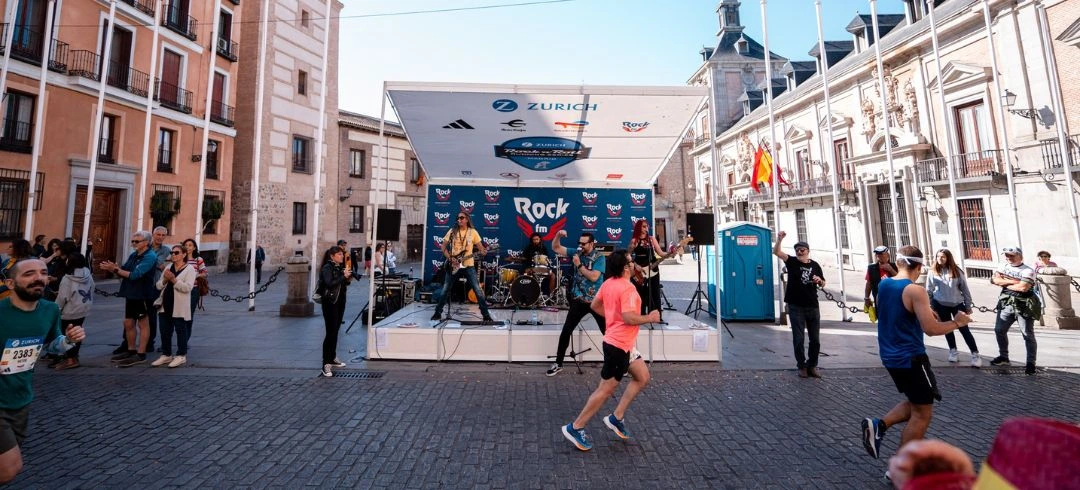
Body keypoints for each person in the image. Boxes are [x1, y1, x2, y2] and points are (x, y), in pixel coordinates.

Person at [860, 245, 972, 469]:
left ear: (897, 263)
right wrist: (957, 323)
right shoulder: (915, 290)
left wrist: (923, 310)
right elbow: (931, 329)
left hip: (889, 355)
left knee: (917, 401)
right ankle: (901, 468)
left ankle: (879, 425)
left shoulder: (884, 284)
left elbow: (898, 312)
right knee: (923, 413)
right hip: (911, 357)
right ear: (920, 268)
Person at [561, 250, 660, 451]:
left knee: (642, 377)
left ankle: (616, 417)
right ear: (625, 267)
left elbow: (595, 305)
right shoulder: (628, 289)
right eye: (631, 261)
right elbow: (629, 318)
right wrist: (650, 318)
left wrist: (613, 317)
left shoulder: (608, 283)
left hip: (625, 345)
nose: (634, 263)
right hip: (617, 346)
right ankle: (575, 427)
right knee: (605, 390)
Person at [0, 258, 86, 484]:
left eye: (43, 272)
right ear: (10, 283)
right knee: (9, 467)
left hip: (20, 399)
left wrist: (68, 340)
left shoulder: (50, 309)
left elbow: (51, 344)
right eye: (29, 274)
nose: (38, 278)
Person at [546, 230, 606, 376]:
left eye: (584, 244)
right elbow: (556, 248)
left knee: (608, 333)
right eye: (580, 243)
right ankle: (558, 363)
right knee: (566, 331)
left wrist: (579, 266)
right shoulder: (577, 253)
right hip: (579, 300)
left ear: (591, 244)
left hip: (596, 301)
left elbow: (594, 277)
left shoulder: (599, 257)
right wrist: (558, 236)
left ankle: (619, 363)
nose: (581, 246)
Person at [98, 230, 158, 367]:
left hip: (142, 294)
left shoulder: (150, 256)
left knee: (143, 324)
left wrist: (115, 269)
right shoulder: (134, 255)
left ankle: (141, 354)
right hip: (131, 293)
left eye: (137, 241)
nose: (134, 243)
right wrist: (113, 268)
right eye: (133, 241)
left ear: (146, 242)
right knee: (128, 323)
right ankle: (131, 350)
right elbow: (124, 269)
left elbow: (135, 274)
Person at [773, 231, 825, 378]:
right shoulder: (792, 261)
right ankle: (801, 366)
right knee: (799, 338)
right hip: (796, 306)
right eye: (797, 250)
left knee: (815, 339)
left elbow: (823, 282)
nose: (800, 252)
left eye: (802, 250)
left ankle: (812, 365)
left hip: (812, 305)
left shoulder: (815, 265)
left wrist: (819, 281)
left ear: (808, 251)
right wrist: (779, 240)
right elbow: (776, 252)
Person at [431, 213, 494, 322]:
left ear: (467, 219)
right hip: (453, 265)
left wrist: (484, 251)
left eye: (461, 218)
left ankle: (486, 315)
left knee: (478, 290)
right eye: (458, 218)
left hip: (468, 265)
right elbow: (443, 246)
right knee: (445, 290)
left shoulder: (473, 232)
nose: (459, 219)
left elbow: (481, 249)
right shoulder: (452, 231)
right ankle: (437, 313)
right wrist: (450, 258)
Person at [989, 247, 1039, 374]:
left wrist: (1004, 282)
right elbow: (994, 280)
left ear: (1020, 256)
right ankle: (1004, 357)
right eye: (1007, 255)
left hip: (1024, 305)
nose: (1008, 258)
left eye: (1011, 255)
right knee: (999, 330)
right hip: (1006, 303)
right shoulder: (1002, 266)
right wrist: (1013, 281)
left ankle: (1031, 363)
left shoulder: (1028, 271)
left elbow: (1023, 288)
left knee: (1027, 334)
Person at [926, 249, 980, 367]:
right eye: (938, 257)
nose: (940, 259)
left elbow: (965, 289)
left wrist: (968, 305)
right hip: (941, 304)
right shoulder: (933, 271)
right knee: (947, 329)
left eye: (943, 257)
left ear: (948, 258)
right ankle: (953, 350)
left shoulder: (957, 271)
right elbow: (929, 290)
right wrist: (931, 306)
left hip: (957, 304)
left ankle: (975, 354)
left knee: (964, 330)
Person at [151, 245, 197, 368]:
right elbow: (158, 285)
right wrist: (165, 280)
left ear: (184, 254)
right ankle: (166, 354)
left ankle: (181, 355)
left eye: (176, 252)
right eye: (172, 252)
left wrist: (174, 280)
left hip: (179, 306)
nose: (173, 255)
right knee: (165, 331)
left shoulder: (190, 269)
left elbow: (187, 288)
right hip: (165, 304)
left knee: (180, 330)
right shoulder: (168, 267)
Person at [51, 253, 94, 371]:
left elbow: (63, 297)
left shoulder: (68, 278)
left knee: (68, 334)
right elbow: (92, 287)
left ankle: (70, 359)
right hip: (83, 307)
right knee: (77, 332)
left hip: (70, 310)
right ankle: (74, 357)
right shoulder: (87, 274)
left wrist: (56, 309)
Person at [317, 246, 350, 377]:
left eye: (342, 254)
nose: (342, 256)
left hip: (340, 302)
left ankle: (332, 357)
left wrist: (348, 276)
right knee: (330, 332)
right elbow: (329, 283)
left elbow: (342, 284)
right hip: (330, 303)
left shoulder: (338, 267)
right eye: (339, 254)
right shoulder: (327, 268)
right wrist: (343, 276)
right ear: (332, 256)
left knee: (335, 331)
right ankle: (325, 363)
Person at [628, 219, 665, 321]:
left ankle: (656, 316)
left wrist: (671, 253)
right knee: (640, 292)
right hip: (639, 270)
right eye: (644, 226)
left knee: (655, 291)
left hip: (653, 268)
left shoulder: (651, 239)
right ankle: (640, 315)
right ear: (639, 227)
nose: (646, 228)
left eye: (647, 226)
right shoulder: (634, 241)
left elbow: (661, 253)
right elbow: (627, 256)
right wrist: (635, 265)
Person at [864, 245, 897, 313]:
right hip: (879, 299)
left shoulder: (895, 266)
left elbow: (901, 279)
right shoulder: (871, 268)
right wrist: (866, 298)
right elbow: (869, 283)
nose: (878, 255)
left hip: (894, 298)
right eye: (877, 254)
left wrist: (891, 270)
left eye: (881, 253)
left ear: (888, 255)